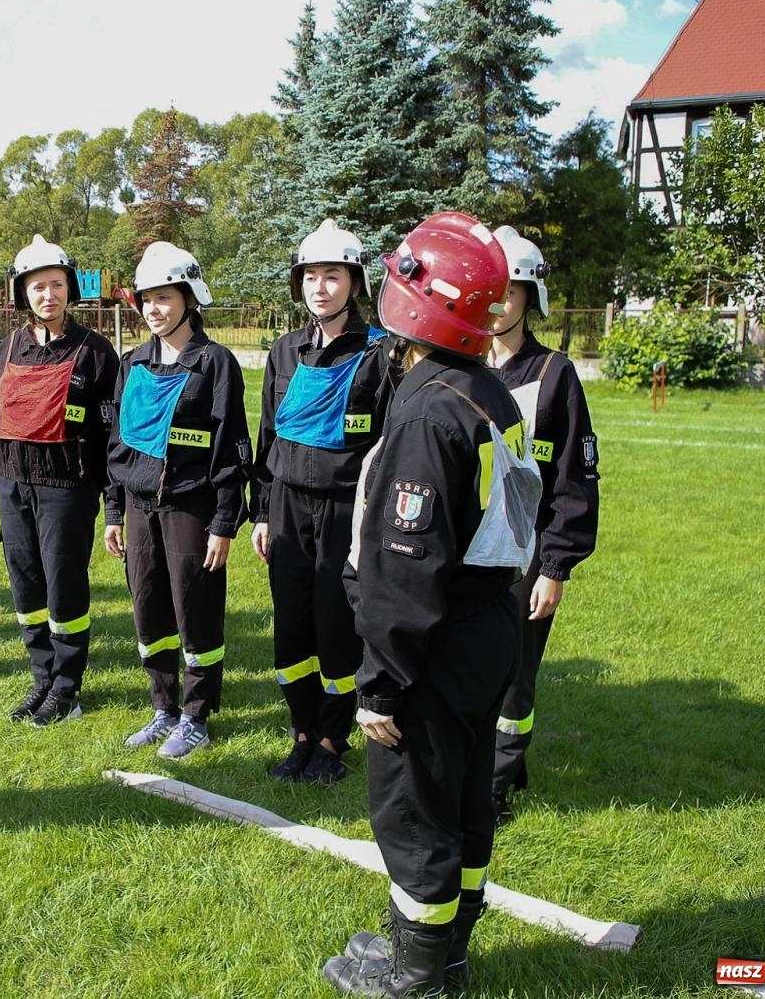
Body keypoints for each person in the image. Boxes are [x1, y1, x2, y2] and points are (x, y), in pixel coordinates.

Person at [322, 211, 540, 997]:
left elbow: (404, 572)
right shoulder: (487, 390)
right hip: (488, 626)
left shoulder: (426, 411)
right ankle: (445, 953)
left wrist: (382, 681)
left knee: (414, 813)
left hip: (437, 640)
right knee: (463, 798)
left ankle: (416, 977)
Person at [249, 218, 392, 784]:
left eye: (332, 276)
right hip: (286, 505)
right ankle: (301, 731)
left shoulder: (381, 354)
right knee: (292, 626)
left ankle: (333, 739)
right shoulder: (285, 351)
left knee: (337, 625)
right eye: (310, 276)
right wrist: (261, 510)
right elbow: (268, 435)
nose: (320, 287)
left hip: (346, 509)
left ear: (354, 284)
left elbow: (389, 444)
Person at [105, 242, 250, 759]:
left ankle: (196, 714)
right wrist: (115, 513)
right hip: (140, 508)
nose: (152, 309)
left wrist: (224, 522)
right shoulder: (132, 364)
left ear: (189, 299)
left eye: (163, 297)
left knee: (196, 609)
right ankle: (163, 706)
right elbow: (117, 444)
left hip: (193, 507)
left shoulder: (215, 363)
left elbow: (233, 446)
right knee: (149, 610)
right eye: (145, 299)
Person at [486, 226, 600, 822]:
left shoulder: (555, 374)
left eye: (508, 291)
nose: (496, 303)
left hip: (525, 552)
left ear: (531, 298)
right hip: (469, 548)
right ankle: (485, 762)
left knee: (515, 672)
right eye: (487, 289)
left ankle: (498, 782)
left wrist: (554, 566)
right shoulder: (459, 364)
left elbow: (573, 484)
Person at [0, 234, 120, 727]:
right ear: (23, 293)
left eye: (57, 285)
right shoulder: (10, 346)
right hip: (12, 486)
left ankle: (68, 688)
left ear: (71, 289)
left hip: (67, 489)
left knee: (64, 587)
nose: (49, 295)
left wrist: (112, 506)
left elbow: (111, 434)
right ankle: (41, 678)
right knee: (25, 586)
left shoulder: (95, 351)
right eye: (38, 287)